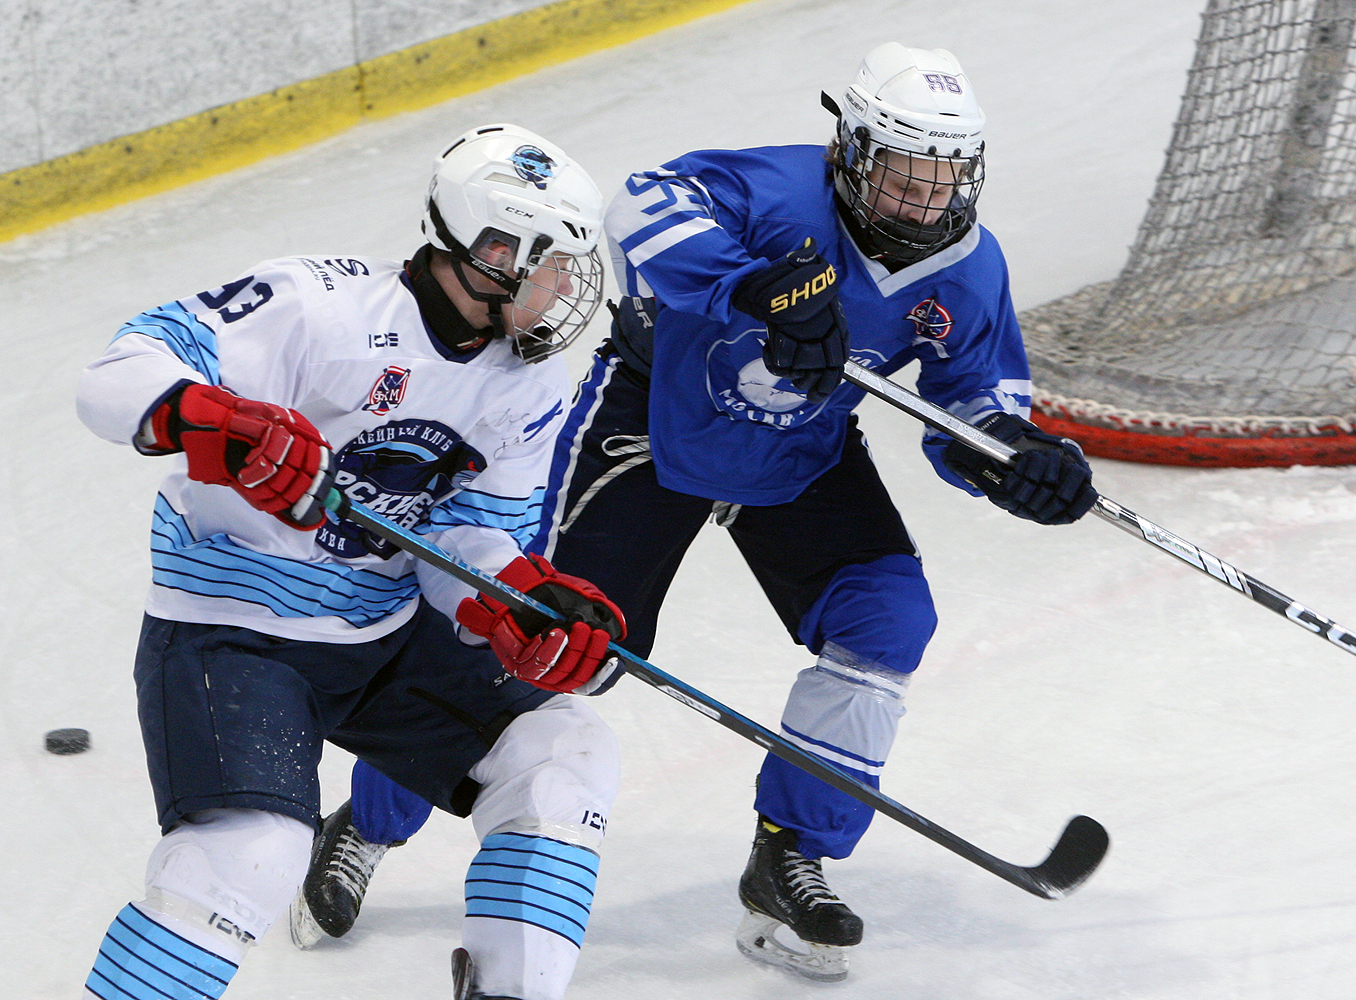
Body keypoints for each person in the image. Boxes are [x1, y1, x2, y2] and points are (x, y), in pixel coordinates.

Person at [307, 41, 1099, 984]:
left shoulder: (968, 268)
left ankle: (787, 857)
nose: (923, 205)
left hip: (803, 452)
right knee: (550, 642)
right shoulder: (775, 191)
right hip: (654, 425)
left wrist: (1019, 458)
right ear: (849, 149)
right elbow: (636, 203)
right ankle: (372, 818)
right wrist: (750, 283)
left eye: (943, 183)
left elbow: (975, 398)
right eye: (901, 178)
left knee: (885, 620)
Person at [74, 123, 627, 1000]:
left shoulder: (526, 384)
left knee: (563, 756)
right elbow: (115, 374)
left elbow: (466, 539)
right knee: (250, 855)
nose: (568, 287)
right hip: (233, 635)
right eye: (556, 264)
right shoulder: (318, 307)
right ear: (494, 253)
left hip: (383, 633)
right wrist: (216, 419)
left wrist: (513, 597)